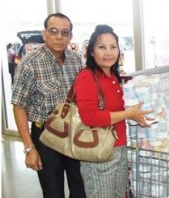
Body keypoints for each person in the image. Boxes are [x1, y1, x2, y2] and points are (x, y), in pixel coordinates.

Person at [11, 13, 86, 198]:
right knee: (53, 192)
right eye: (53, 31)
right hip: (45, 137)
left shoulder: (76, 60)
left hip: (74, 133)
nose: (59, 37)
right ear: (44, 33)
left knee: (81, 189)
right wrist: (29, 149)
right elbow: (19, 106)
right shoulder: (29, 63)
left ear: (70, 36)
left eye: (64, 32)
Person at [74, 24, 153, 198]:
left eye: (113, 47)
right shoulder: (87, 76)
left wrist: (134, 116)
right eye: (102, 47)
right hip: (99, 153)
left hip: (119, 148)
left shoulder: (112, 76)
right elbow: (90, 117)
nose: (108, 52)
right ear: (92, 51)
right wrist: (127, 114)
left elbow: (111, 110)